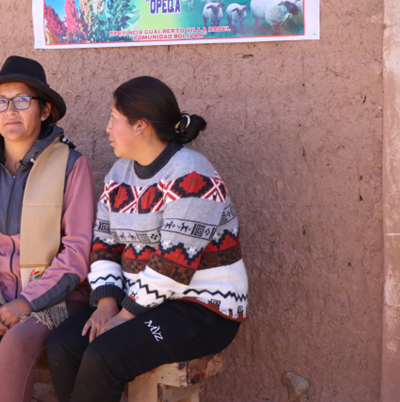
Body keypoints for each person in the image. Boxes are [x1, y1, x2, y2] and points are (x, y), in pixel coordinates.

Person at [46, 76, 249, 402]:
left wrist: (124, 316)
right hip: (136, 302)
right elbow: (104, 245)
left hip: (200, 309)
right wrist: (107, 302)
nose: (108, 127)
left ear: (140, 125)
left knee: (104, 354)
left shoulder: (192, 174)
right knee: (63, 345)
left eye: (114, 117)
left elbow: (174, 264)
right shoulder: (119, 175)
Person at [0, 56, 96, 402]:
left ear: (44, 111)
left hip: (54, 298)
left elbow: (77, 251)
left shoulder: (72, 166)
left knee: (15, 346)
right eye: (0, 102)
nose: (10, 110)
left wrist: (27, 302)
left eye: (22, 101)